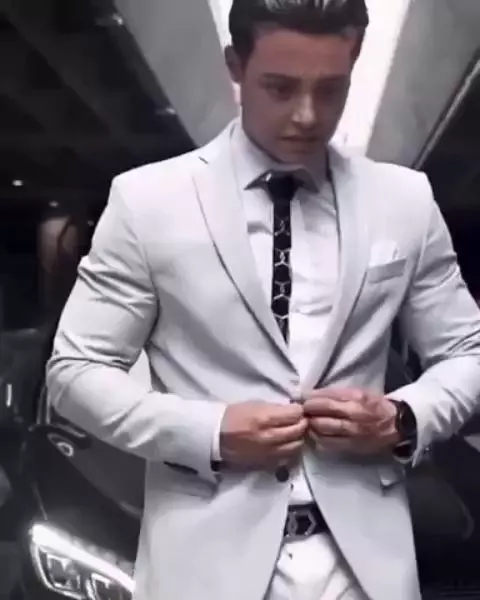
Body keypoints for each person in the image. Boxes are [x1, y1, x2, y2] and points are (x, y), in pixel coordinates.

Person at [46, 1, 480, 599]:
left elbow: (468, 352)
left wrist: (402, 418)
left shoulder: (403, 201)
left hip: (365, 570)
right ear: (235, 66)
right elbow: (75, 371)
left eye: (331, 90)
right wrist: (210, 431)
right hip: (204, 571)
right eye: (280, 87)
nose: (307, 115)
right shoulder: (148, 202)